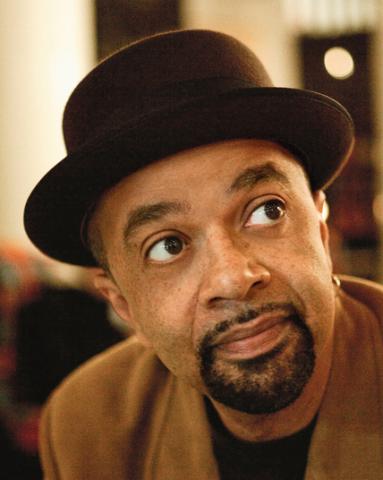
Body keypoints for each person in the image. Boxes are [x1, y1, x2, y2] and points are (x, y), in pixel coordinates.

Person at [23, 29, 383, 479]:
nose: (233, 277)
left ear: (320, 225)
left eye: (267, 212)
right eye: (167, 246)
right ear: (123, 305)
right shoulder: (86, 428)